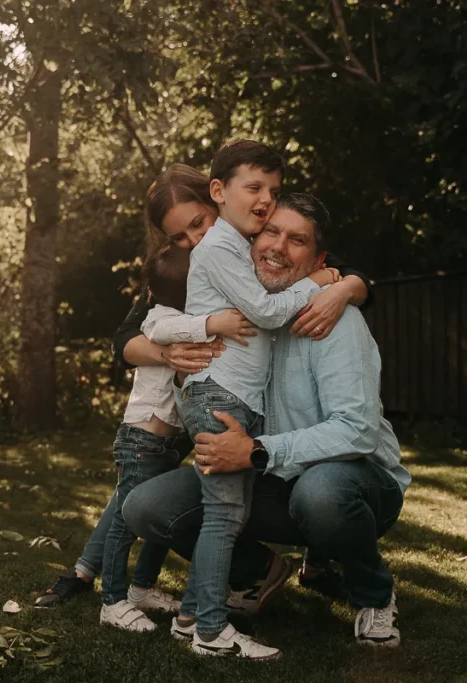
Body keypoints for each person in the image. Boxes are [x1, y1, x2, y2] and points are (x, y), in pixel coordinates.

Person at [33, 162, 372, 610]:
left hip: (247, 404)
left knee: (246, 490)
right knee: (148, 494)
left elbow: (345, 273)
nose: (192, 241)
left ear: (218, 200)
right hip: (191, 400)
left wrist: (344, 287)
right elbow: (125, 338)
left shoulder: (260, 239)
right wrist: (168, 353)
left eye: (197, 224)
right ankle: (88, 574)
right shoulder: (177, 271)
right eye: (179, 237)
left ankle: (280, 573)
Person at [123, 192, 411, 649]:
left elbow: (357, 430)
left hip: (357, 480)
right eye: (270, 233)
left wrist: (257, 450)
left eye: (296, 240)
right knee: (146, 506)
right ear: (249, 241)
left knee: (321, 494)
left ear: (318, 259)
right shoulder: (238, 315)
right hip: (270, 477)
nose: (278, 246)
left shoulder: (334, 319)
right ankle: (257, 573)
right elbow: (143, 329)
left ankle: (373, 593)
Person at [171, 140, 339, 660]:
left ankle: (190, 615)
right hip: (218, 392)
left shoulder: (238, 245)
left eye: (273, 189)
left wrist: (345, 282)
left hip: (230, 394)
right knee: (224, 514)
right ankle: (212, 632)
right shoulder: (217, 248)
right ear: (219, 192)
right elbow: (267, 312)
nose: (266, 199)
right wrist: (314, 282)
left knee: (226, 511)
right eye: (254, 188)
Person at [97, 243, 256, 632]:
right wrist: (215, 324)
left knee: (157, 522)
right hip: (142, 439)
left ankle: (141, 588)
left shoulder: (182, 315)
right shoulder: (159, 318)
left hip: (167, 442)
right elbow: (172, 330)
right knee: (124, 520)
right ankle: (112, 601)